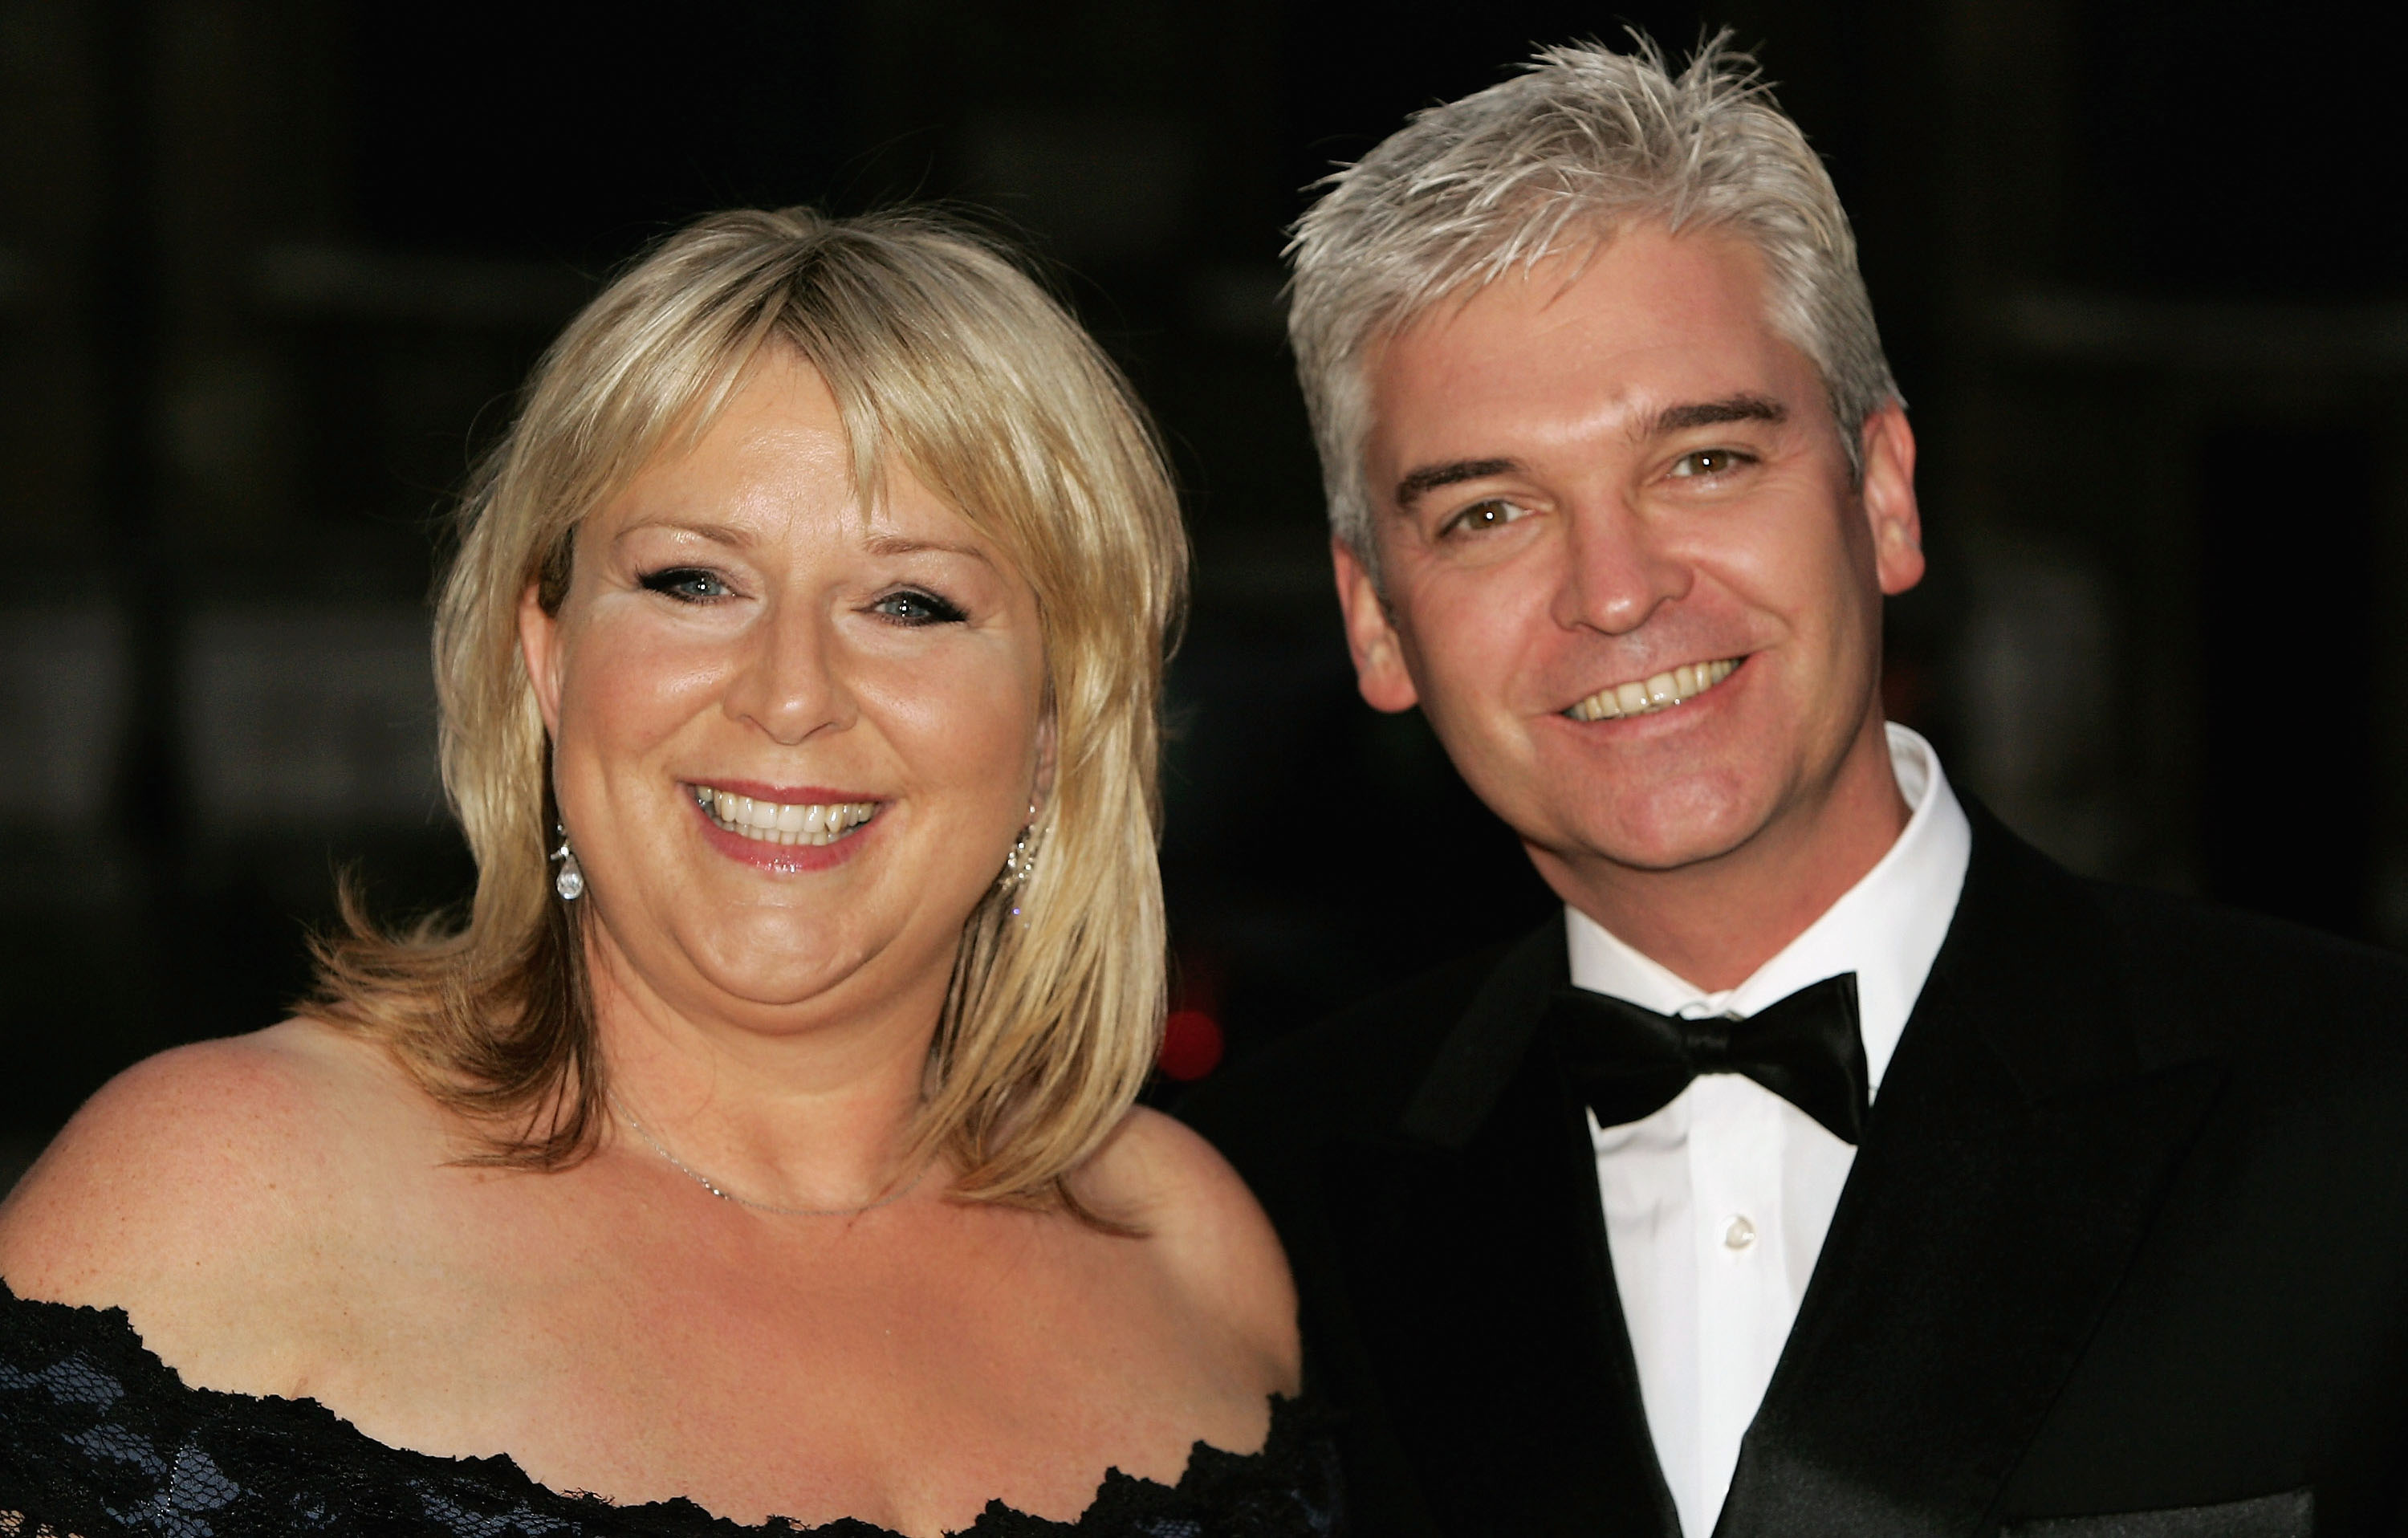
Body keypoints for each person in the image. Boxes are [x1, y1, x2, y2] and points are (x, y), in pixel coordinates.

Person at [1180, 36, 2408, 1538]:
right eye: (1489, 512)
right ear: (1376, 620)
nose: (1616, 591)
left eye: (1703, 460)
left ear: (1882, 495)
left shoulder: (2364, 1115)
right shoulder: (1235, 1221)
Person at [0, 208, 1333, 1536]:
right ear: (549, 657)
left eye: (910, 603)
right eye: (695, 582)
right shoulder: (220, 1197)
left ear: (1052, 726)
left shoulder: (1193, 1258)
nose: (791, 694)